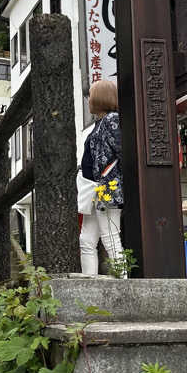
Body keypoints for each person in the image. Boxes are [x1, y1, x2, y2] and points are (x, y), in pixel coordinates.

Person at [79, 79, 125, 276]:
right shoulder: (101, 122)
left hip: (106, 188)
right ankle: (91, 282)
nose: (88, 100)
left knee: (110, 237)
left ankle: (123, 282)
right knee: (87, 240)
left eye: (91, 96)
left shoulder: (112, 120)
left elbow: (122, 151)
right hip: (95, 188)